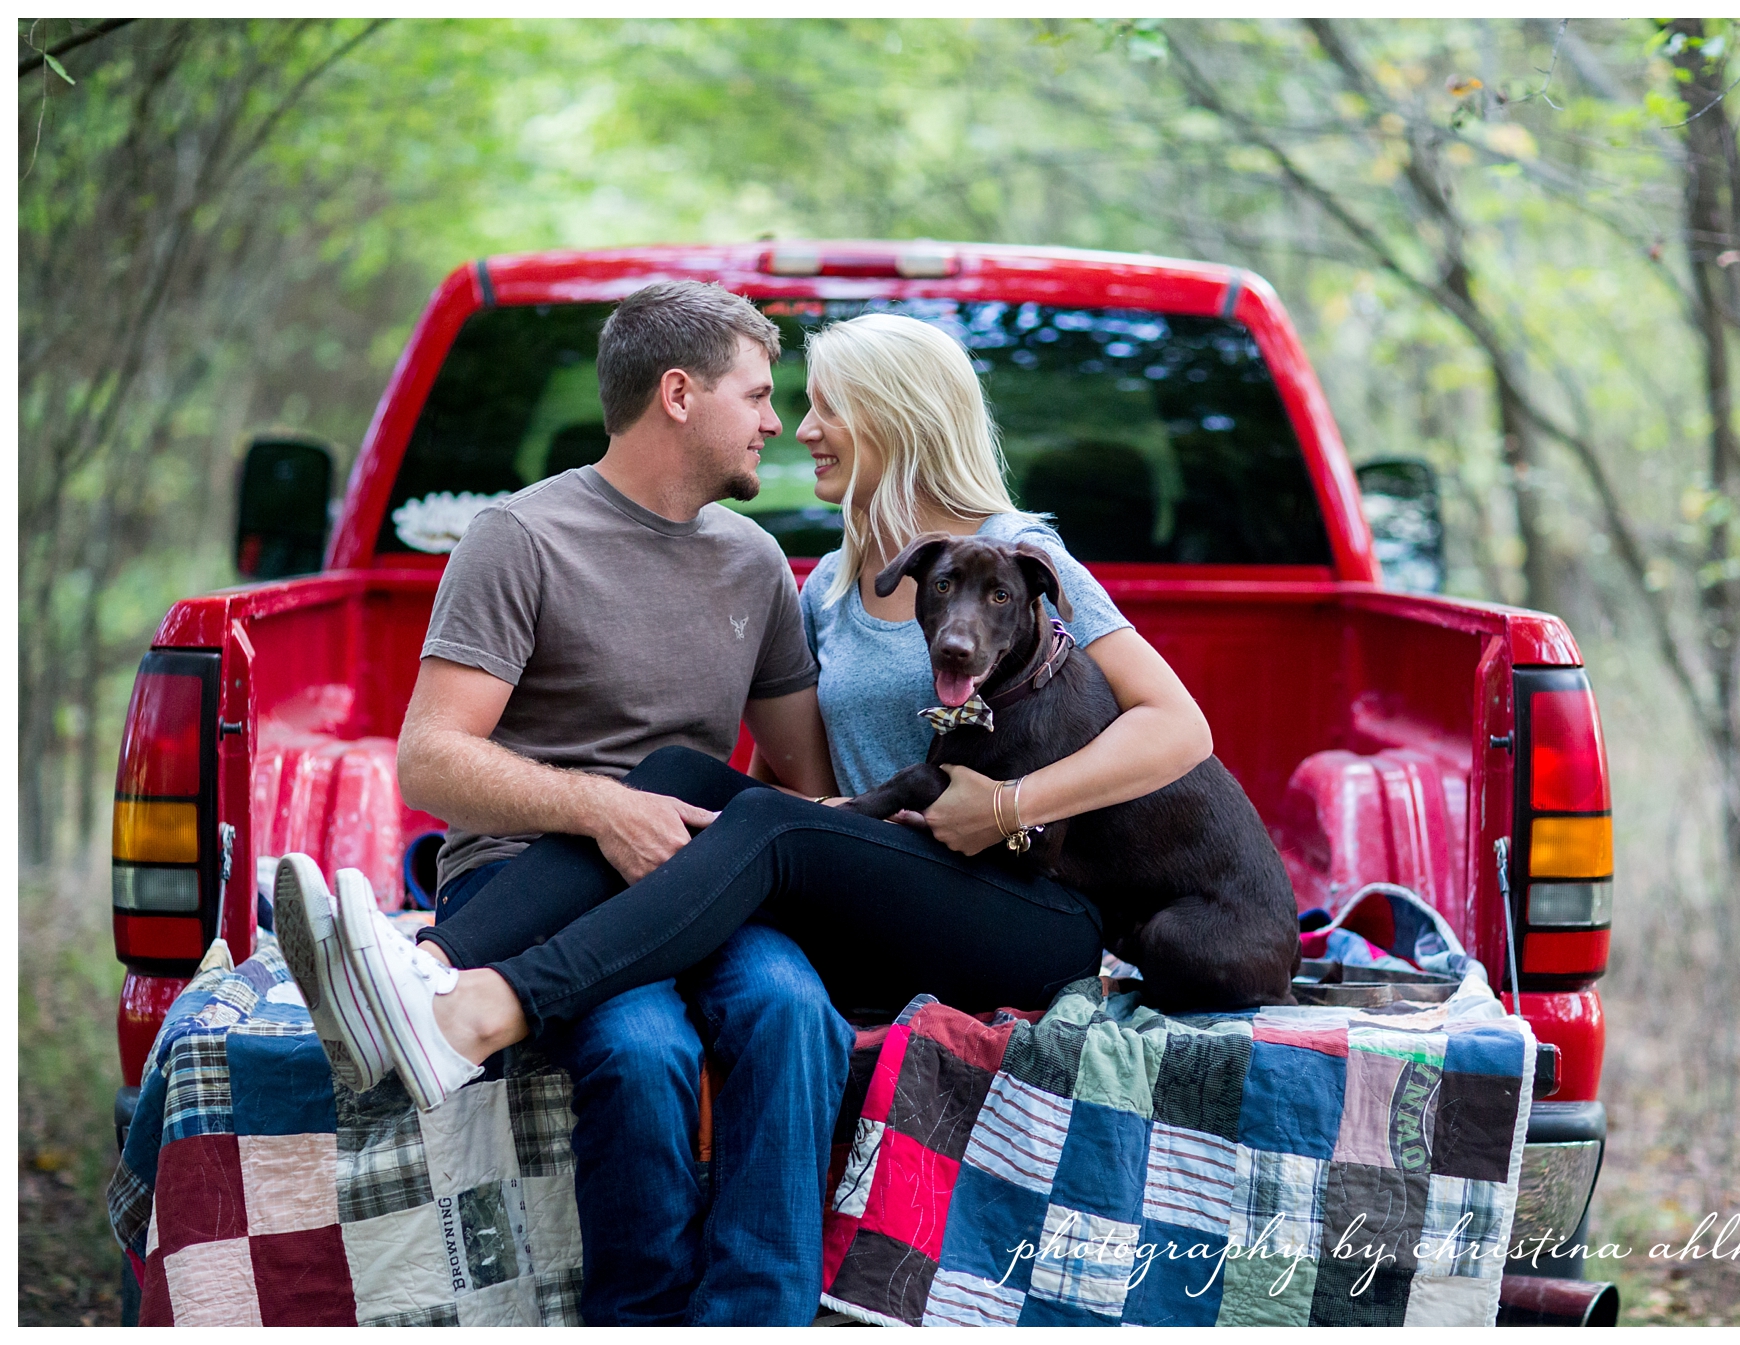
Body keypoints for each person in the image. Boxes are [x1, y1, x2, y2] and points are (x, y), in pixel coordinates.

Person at [324, 309, 1213, 1192]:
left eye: (826, 407)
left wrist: (1014, 804)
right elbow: (793, 775)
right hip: (879, 877)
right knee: (672, 778)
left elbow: (1179, 727)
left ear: (896, 418)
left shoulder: (1021, 560)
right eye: (783, 400)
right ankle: (431, 968)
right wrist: (722, 839)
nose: (799, 428)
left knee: (769, 829)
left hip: (1022, 896)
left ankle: (491, 1008)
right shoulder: (830, 578)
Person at [277, 279, 851, 1327]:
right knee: (643, 1051)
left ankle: (760, 1316)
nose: (777, 421)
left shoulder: (755, 561)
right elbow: (431, 760)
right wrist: (598, 809)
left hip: (690, 877)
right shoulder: (522, 538)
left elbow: (799, 781)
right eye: (760, 394)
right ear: (678, 393)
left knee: (789, 1006)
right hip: (529, 877)